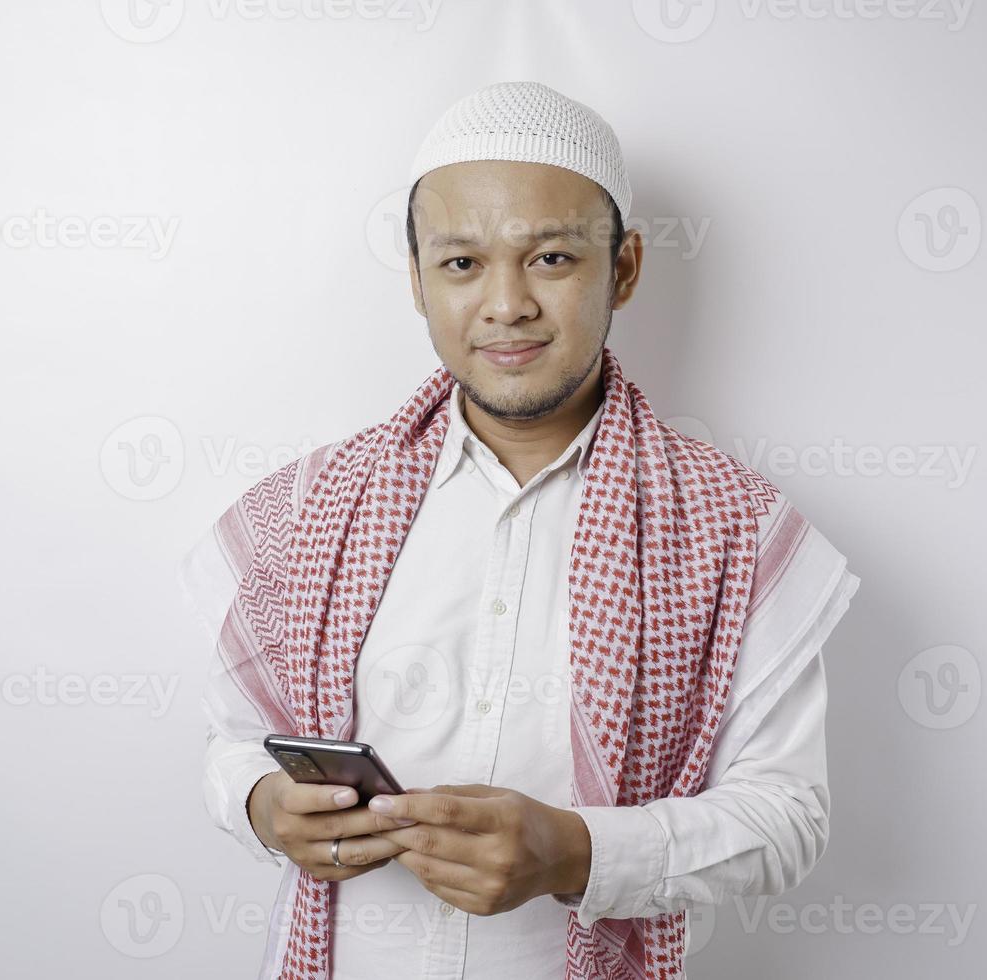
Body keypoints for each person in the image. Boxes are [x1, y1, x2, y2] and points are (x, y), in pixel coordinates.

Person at [180, 80, 861, 980]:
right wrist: (264, 805)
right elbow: (231, 743)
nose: (507, 305)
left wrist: (578, 854)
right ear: (417, 278)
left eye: (550, 258)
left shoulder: (732, 528)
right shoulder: (312, 505)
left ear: (622, 268)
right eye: (462, 263)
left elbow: (786, 816)